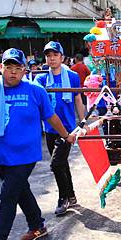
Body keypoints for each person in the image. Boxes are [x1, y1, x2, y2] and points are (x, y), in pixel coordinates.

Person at [0, 48, 75, 240]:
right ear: (1, 68)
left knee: (8, 194)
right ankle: (37, 225)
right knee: (21, 190)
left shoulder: (35, 90)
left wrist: (66, 135)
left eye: (17, 68)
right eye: (8, 67)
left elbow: (51, 116)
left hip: (26, 154)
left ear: (24, 70)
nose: (12, 73)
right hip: (1, 153)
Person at [34, 41, 85, 216]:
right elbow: (38, 104)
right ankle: (71, 196)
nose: (52, 58)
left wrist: (83, 122)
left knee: (56, 164)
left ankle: (63, 198)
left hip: (68, 128)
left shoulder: (72, 76)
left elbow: (78, 99)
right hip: (49, 128)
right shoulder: (40, 79)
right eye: (48, 55)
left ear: (62, 57)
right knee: (61, 164)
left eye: (55, 55)